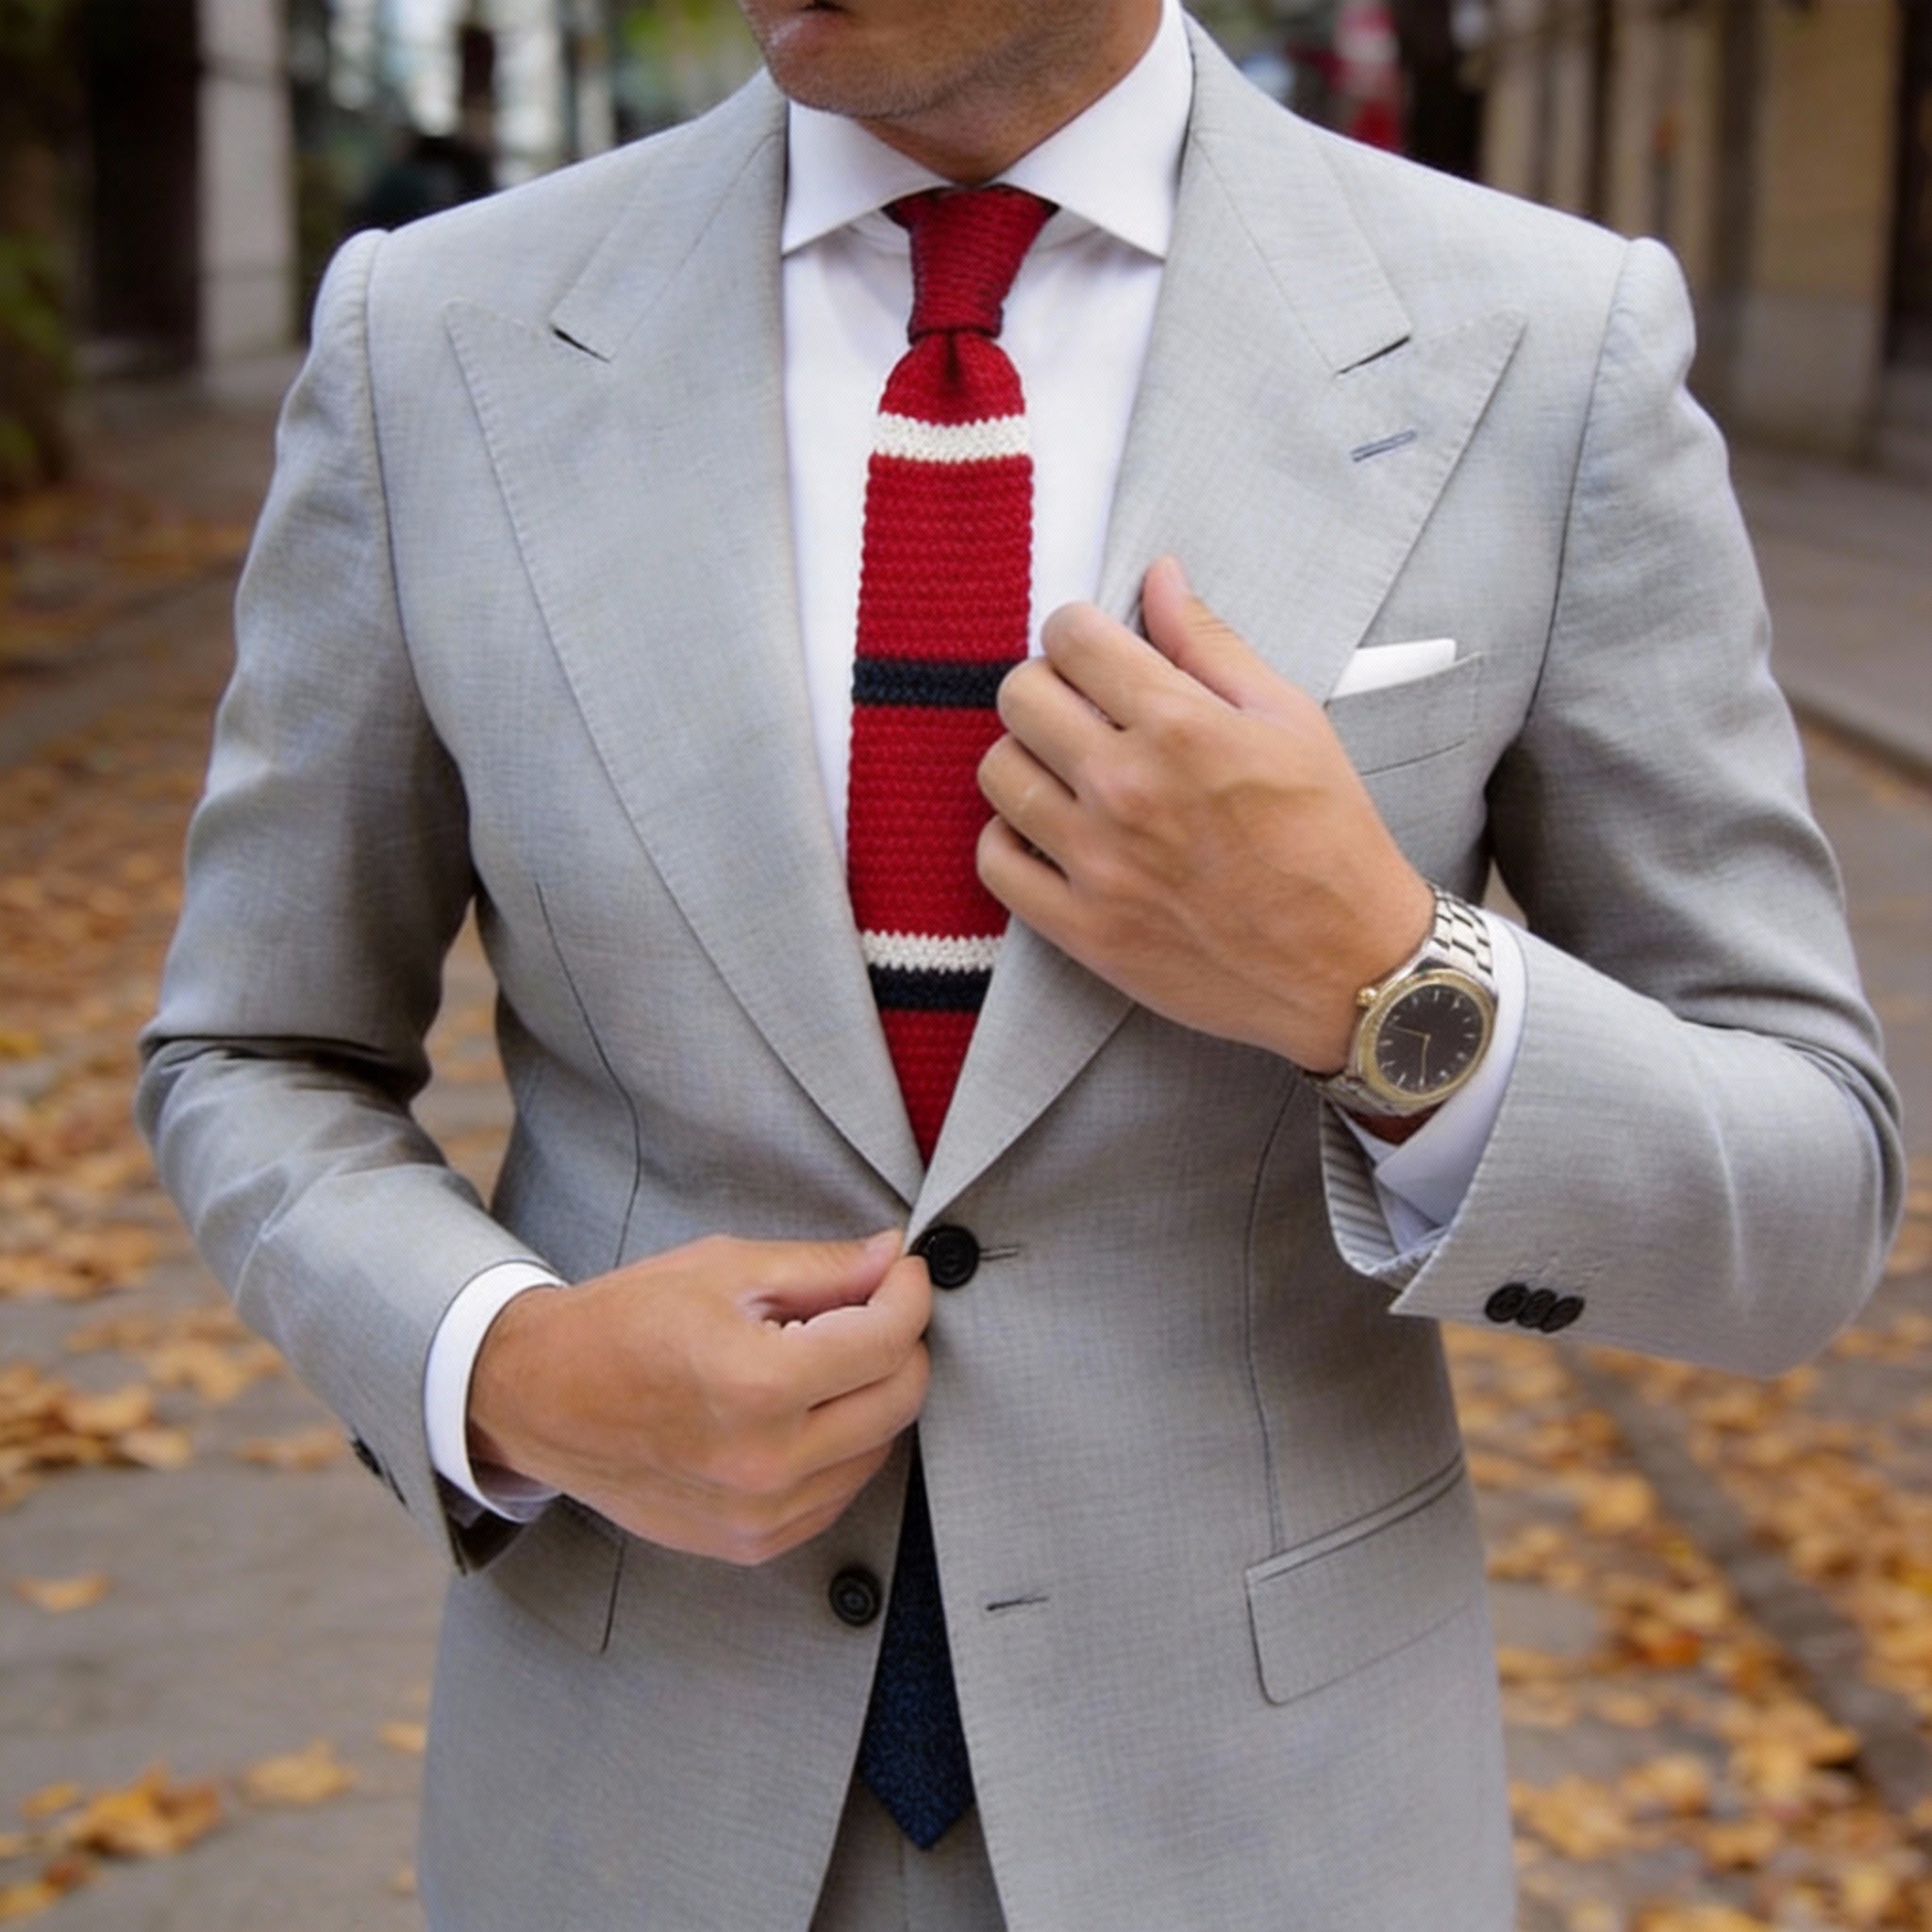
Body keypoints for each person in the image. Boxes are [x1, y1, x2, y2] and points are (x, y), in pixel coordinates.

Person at [137, 0, 1903, 1925]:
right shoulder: (437, 338)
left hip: (1268, 1830)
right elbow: (255, 1047)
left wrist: (1380, 985)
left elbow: (1804, 1202)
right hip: (628, 1810)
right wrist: (505, 1366)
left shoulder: (1542, 347)